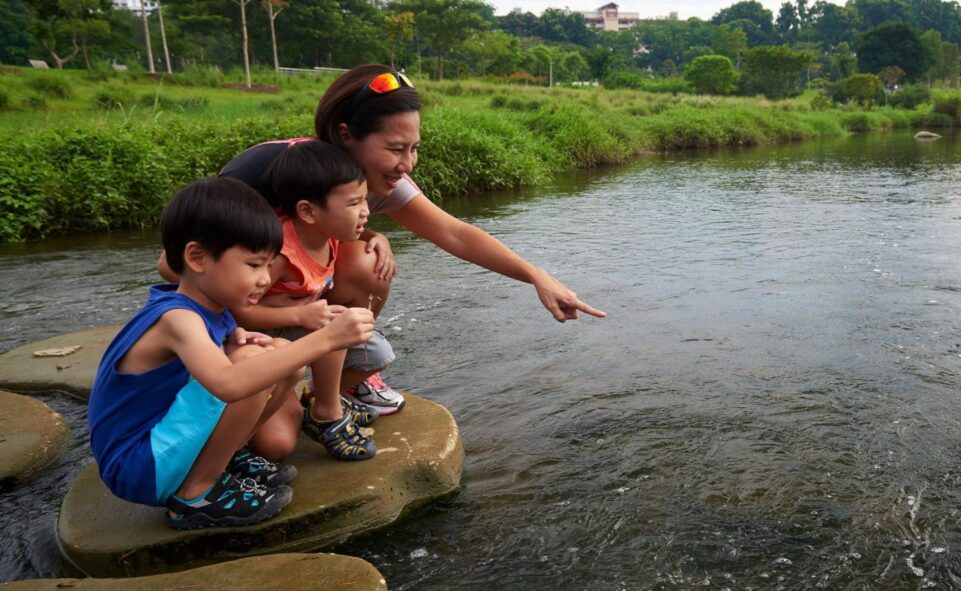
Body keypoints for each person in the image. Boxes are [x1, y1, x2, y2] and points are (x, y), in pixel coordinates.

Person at [214, 64, 606, 414]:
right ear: (346, 135)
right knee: (274, 442)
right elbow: (189, 266)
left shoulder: (381, 179)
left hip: (301, 310)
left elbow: (454, 233)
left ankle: (336, 385)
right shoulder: (267, 173)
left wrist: (536, 276)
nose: (408, 164)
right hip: (234, 316)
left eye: (414, 148)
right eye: (396, 149)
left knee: (367, 260)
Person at [89, 177, 375, 529]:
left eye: (268, 265)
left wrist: (236, 337)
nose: (265, 279)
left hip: (159, 448)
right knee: (251, 366)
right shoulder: (177, 318)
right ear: (197, 258)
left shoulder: (211, 307)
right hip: (137, 465)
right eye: (254, 265)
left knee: (279, 353)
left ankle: (222, 462)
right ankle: (194, 495)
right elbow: (227, 384)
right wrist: (325, 340)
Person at [231, 140, 380, 462]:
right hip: (259, 337)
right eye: (354, 203)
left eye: (365, 199)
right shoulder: (280, 253)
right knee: (277, 446)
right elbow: (237, 310)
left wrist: (377, 237)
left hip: (298, 326)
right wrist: (300, 315)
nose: (366, 211)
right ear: (307, 212)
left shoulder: (330, 234)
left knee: (375, 351)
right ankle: (325, 411)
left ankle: (326, 405)